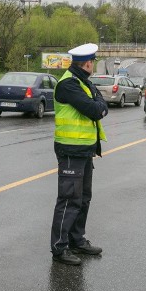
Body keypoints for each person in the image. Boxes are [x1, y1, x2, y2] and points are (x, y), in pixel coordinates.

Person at [50, 43, 109, 266]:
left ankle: (77, 240)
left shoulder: (84, 83)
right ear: (86, 63)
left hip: (84, 150)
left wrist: (100, 105)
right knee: (69, 199)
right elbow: (96, 109)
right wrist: (99, 105)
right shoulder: (68, 85)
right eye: (92, 61)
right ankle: (59, 247)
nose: (92, 64)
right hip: (70, 150)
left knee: (84, 198)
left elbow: (101, 105)